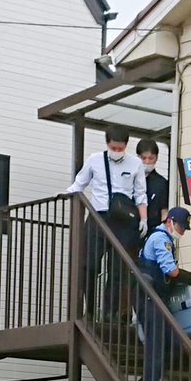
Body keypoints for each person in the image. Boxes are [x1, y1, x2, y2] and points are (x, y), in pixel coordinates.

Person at [66, 125, 148, 319]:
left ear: (126, 146)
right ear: (107, 144)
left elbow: (140, 193)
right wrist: (65, 193)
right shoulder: (95, 160)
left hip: (123, 220)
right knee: (88, 264)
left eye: (120, 149)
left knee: (118, 268)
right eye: (114, 148)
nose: (117, 152)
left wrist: (143, 218)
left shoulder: (135, 164)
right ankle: (90, 308)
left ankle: (110, 311)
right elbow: (79, 184)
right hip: (98, 216)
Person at [137, 206, 191, 381]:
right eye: (181, 227)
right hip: (148, 299)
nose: (182, 232)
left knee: (174, 343)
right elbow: (171, 271)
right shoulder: (161, 239)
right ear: (170, 222)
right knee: (156, 347)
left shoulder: (164, 238)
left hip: (155, 298)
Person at [136, 138, 169, 235]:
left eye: (151, 158)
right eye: (143, 158)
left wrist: (163, 233)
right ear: (137, 157)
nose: (147, 162)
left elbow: (164, 211)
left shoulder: (161, 183)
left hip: (152, 231)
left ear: (156, 158)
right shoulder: (130, 178)